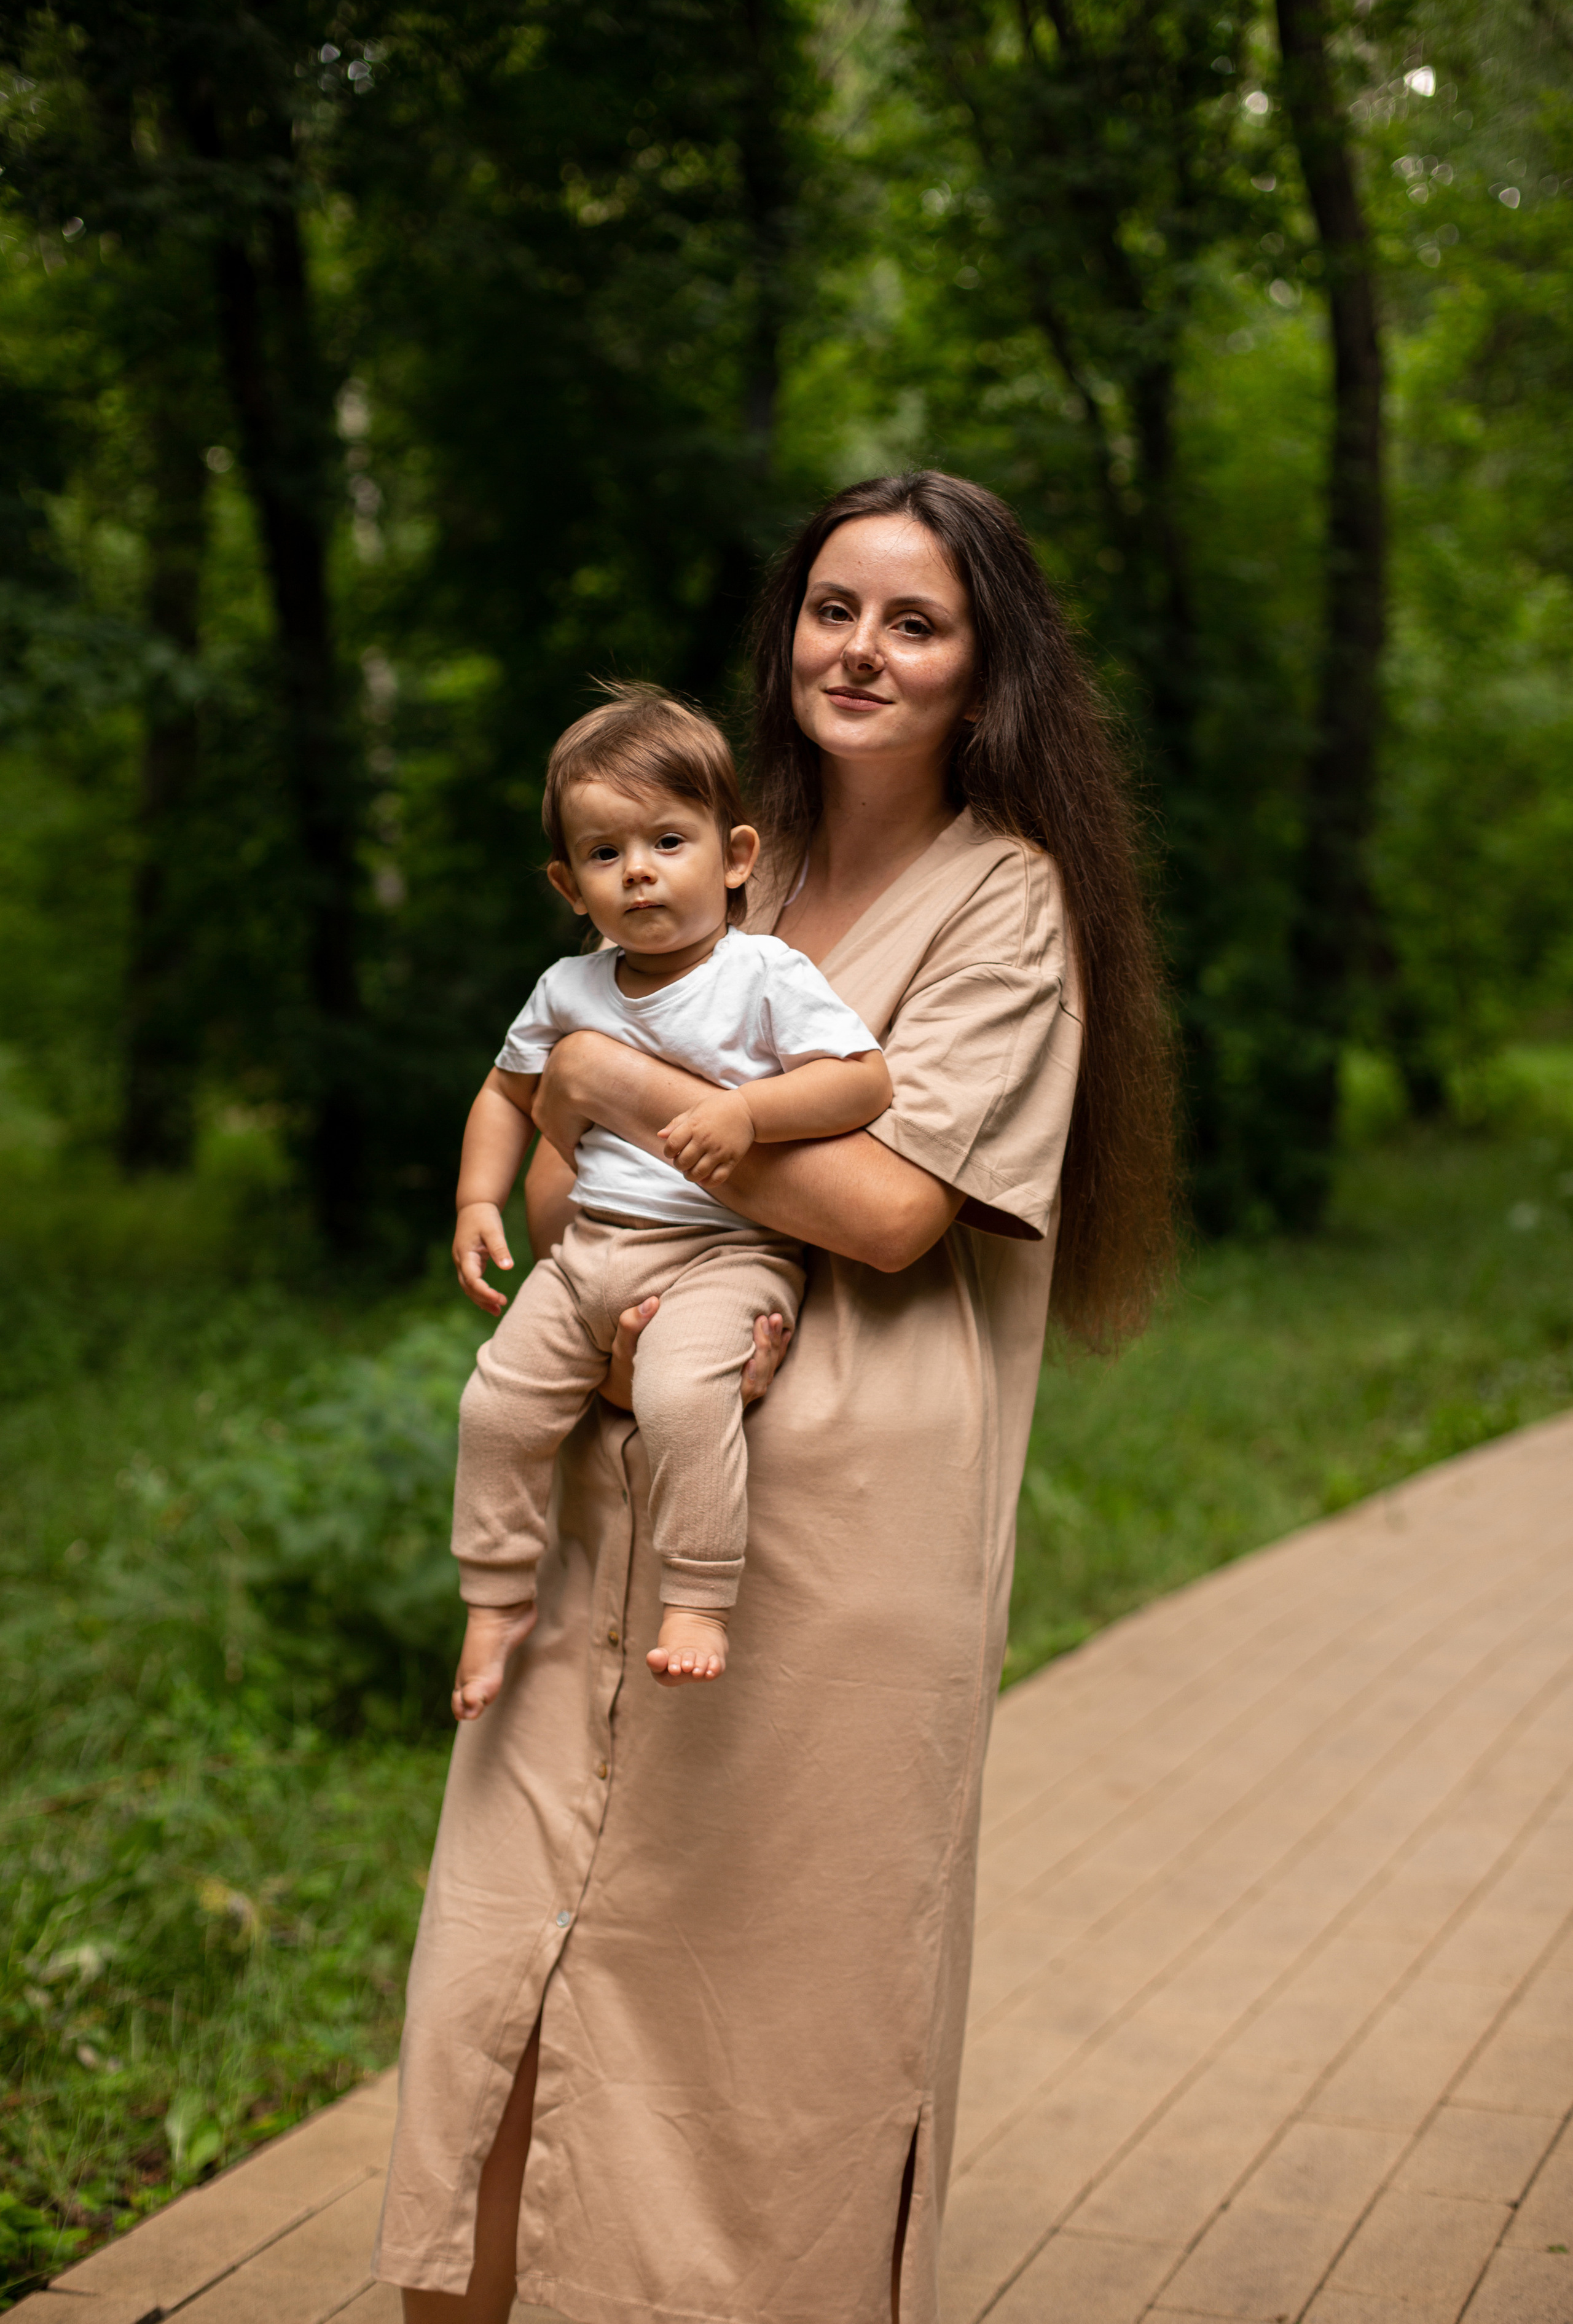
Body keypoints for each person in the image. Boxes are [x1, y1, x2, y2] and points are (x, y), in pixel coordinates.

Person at [375, 471, 1174, 2324]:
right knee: (514, 1952)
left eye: (916, 620)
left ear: (990, 668)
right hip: (617, 1483)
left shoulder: (1009, 900)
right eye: (834, 608)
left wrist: (617, 1081)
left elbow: (891, 1213)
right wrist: (573, 1115)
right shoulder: (704, 844)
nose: (863, 649)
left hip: (842, 1535)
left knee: (771, 2013)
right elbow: (562, 1189)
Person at [447, 686, 889, 1702]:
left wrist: (752, 1115)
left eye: (668, 842)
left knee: (682, 1394)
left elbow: (864, 1079)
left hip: (727, 1257)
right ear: (571, 885)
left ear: (735, 858)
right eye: (606, 855)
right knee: (497, 1405)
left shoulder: (763, 974)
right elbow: (505, 1095)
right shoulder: (570, 990)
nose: (639, 871)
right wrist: (479, 1199)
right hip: (591, 1250)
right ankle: (498, 1591)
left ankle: (698, 1591)